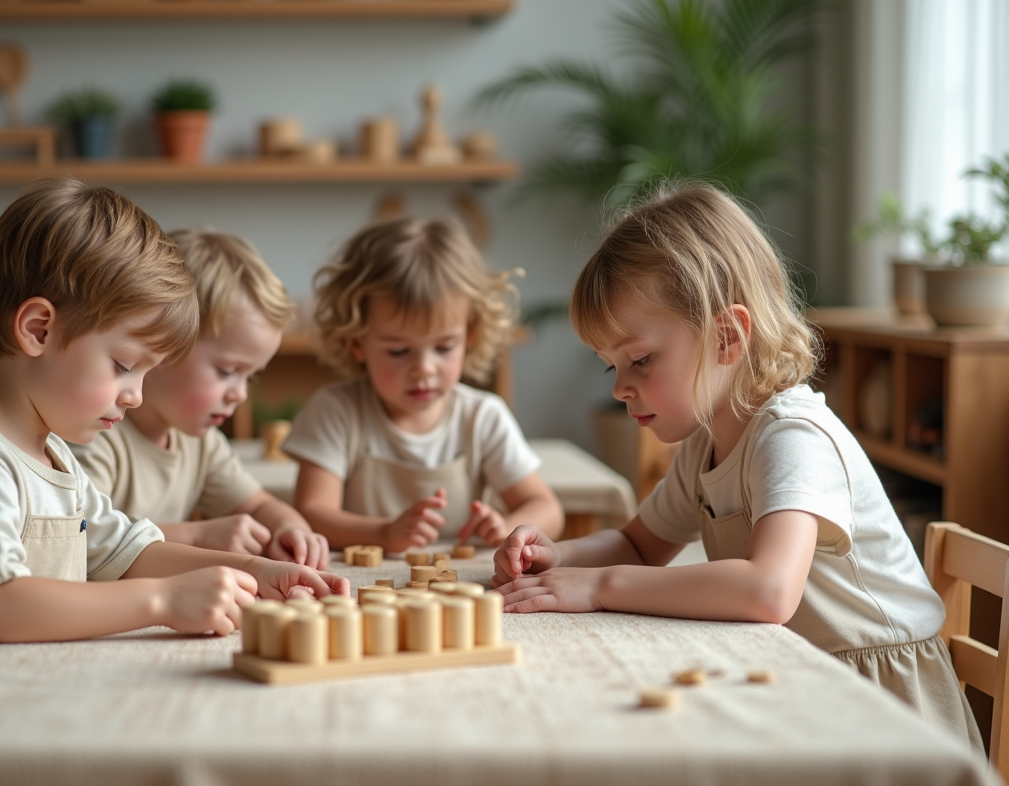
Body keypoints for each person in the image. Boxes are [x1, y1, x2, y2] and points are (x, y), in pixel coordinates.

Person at [0, 179, 348, 786]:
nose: (135, 394)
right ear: (38, 330)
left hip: (11, 714)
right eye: (124, 366)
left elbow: (128, 551)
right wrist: (161, 602)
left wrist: (255, 573)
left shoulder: (55, 456)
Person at [492, 182, 979, 745]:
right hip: (799, 678)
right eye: (611, 368)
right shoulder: (705, 441)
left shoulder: (793, 436)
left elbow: (768, 590)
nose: (623, 387)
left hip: (883, 705)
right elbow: (638, 545)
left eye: (641, 360)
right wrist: (552, 558)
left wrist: (600, 586)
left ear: (727, 337)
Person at [283, 216, 563, 553]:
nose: (423, 369)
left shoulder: (482, 417)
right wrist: (385, 534)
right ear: (357, 342)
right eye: (398, 351)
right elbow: (312, 513)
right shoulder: (336, 412)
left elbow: (548, 509)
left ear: (470, 335)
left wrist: (506, 528)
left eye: (444, 348)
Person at [70, 228, 330, 569]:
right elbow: (82, 536)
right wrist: (198, 537)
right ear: (163, 348)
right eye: (227, 371)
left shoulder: (203, 444)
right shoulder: (95, 435)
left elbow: (256, 505)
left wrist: (290, 528)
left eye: (250, 376)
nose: (240, 393)